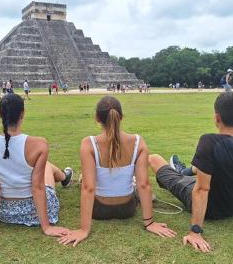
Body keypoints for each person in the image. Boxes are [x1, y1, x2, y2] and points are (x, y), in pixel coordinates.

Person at [59, 96, 176, 246]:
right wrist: (149, 223)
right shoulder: (138, 142)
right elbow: (144, 185)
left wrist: (84, 230)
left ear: (97, 118)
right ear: (121, 117)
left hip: (99, 210)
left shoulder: (88, 143)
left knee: (85, 180)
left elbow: (88, 188)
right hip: (127, 209)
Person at [0, 93, 73, 241]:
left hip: (6, 213)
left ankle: (65, 176)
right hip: (36, 212)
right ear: (22, 114)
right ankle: (65, 177)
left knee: (39, 166)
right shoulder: (39, 144)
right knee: (46, 166)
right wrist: (47, 227)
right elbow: (37, 187)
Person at [148, 92, 233, 253]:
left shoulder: (209, 141)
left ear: (217, 118)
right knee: (204, 167)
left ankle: (178, 171)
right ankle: (184, 170)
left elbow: (202, 190)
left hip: (211, 207)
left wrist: (195, 231)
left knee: (154, 159)